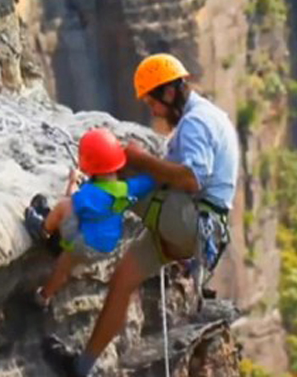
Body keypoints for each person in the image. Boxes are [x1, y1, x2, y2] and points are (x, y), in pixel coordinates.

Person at [43, 53, 240, 377]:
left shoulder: (196, 122)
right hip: (192, 230)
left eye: (154, 103)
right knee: (123, 281)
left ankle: (69, 223)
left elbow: (191, 178)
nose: (154, 112)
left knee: (120, 167)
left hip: (192, 223)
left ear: (169, 92)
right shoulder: (200, 117)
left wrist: (140, 158)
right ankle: (82, 367)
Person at [24, 127, 156, 307]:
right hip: (106, 246)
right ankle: (44, 296)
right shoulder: (127, 189)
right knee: (68, 263)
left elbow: (71, 199)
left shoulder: (89, 194)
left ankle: (43, 229)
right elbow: (148, 180)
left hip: (82, 243)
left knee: (65, 208)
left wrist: (73, 181)